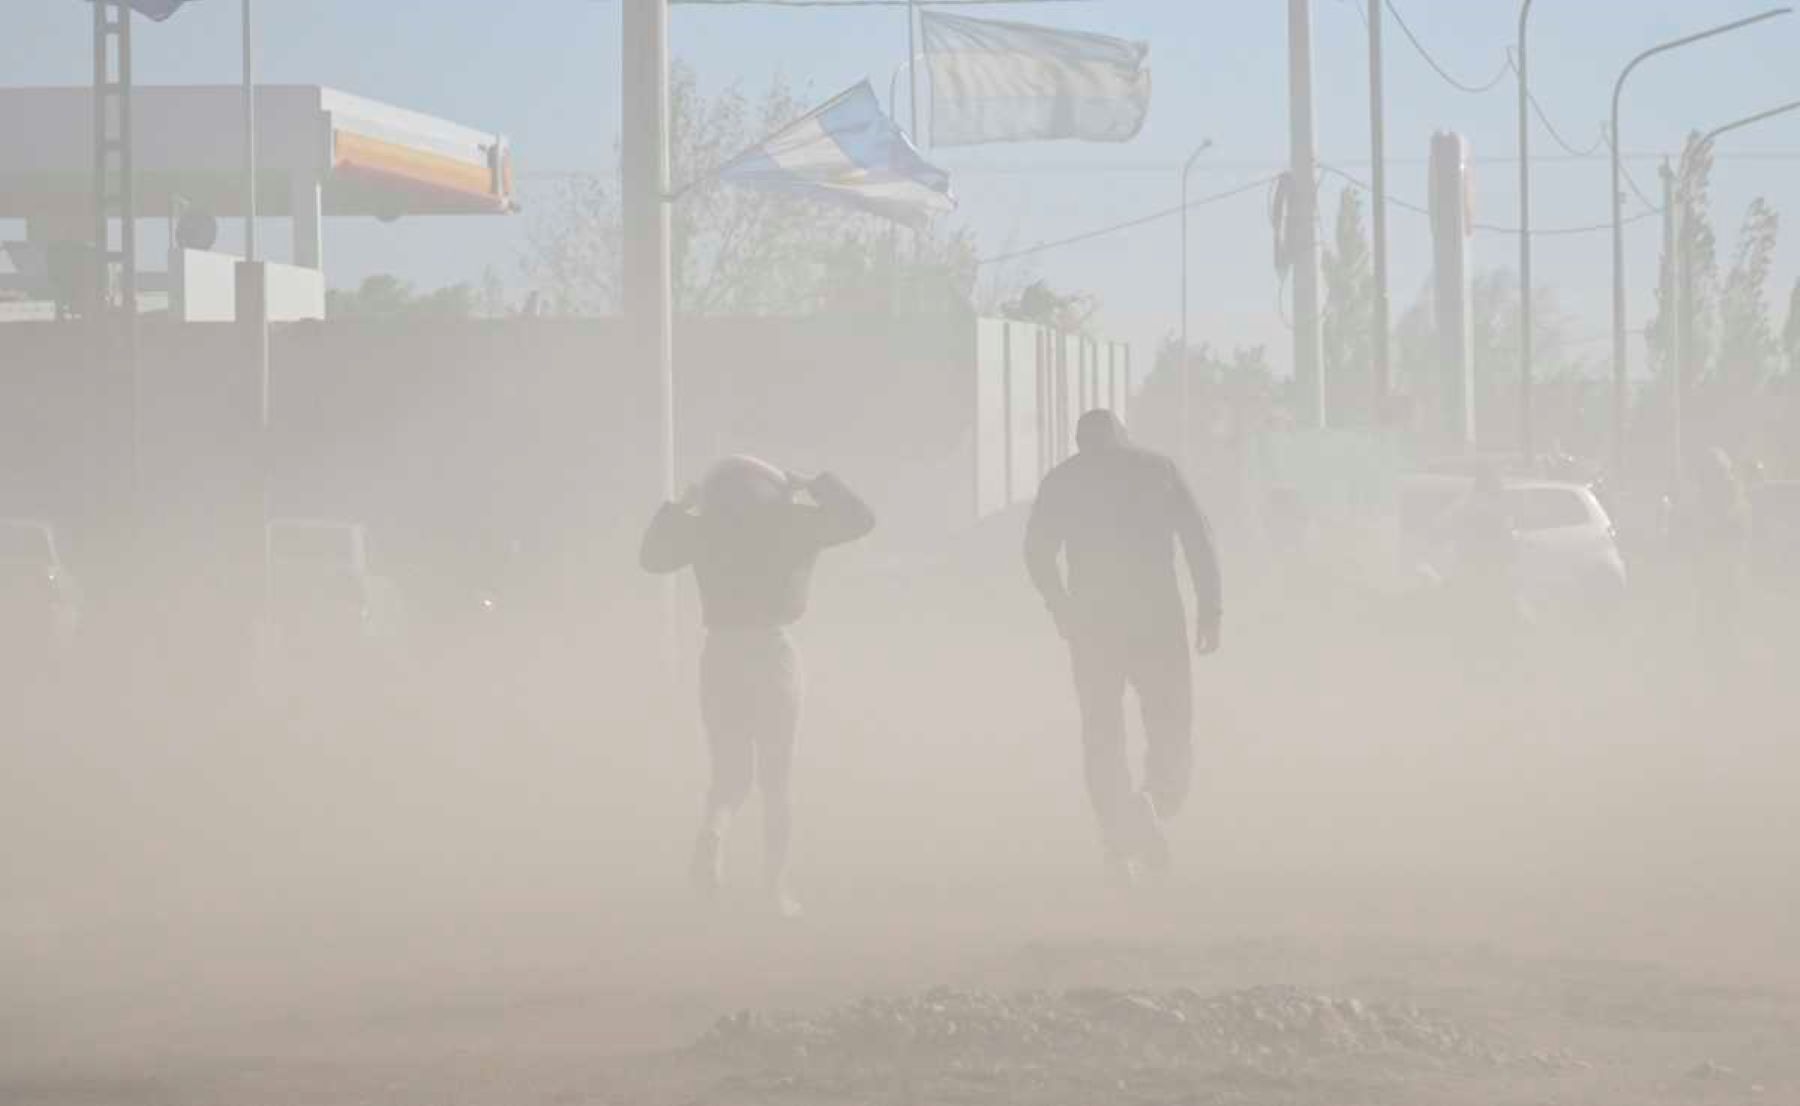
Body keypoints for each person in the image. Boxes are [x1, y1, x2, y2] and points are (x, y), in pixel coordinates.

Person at [639, 457, 875, 917]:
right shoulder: (792, 522)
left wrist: (678, 507)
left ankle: (715, 831)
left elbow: (651, 559)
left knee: (729, 776)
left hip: (721, 652)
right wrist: (816, 483)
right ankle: (775, 890)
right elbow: (861, 520)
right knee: (776, 780)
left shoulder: (705, 528)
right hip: (772, 651)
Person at [1023, 410, 1222, 886]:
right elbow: (1199, 540)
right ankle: (1152, 802)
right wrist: (1210, 609)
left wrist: (1061, 607)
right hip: (1157, 620)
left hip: (1093, 625)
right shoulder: (1158, 470)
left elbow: (1036, 551)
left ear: (1078, 442)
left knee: (1102, 735)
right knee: (1171, 725)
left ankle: (1117, 842)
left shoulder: (1062, 480)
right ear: (1124, 437)